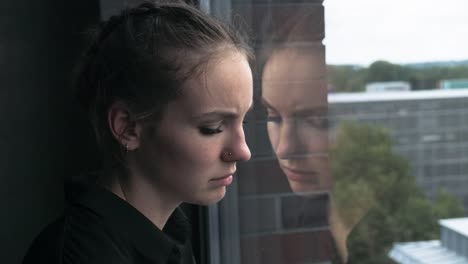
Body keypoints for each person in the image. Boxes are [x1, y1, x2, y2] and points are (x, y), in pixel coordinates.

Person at [22, 1, 253, 263]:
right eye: (212, 128)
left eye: (242, 122)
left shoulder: (166, 235)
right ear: (128, 127)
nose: (243, 151)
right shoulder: (82, 256)